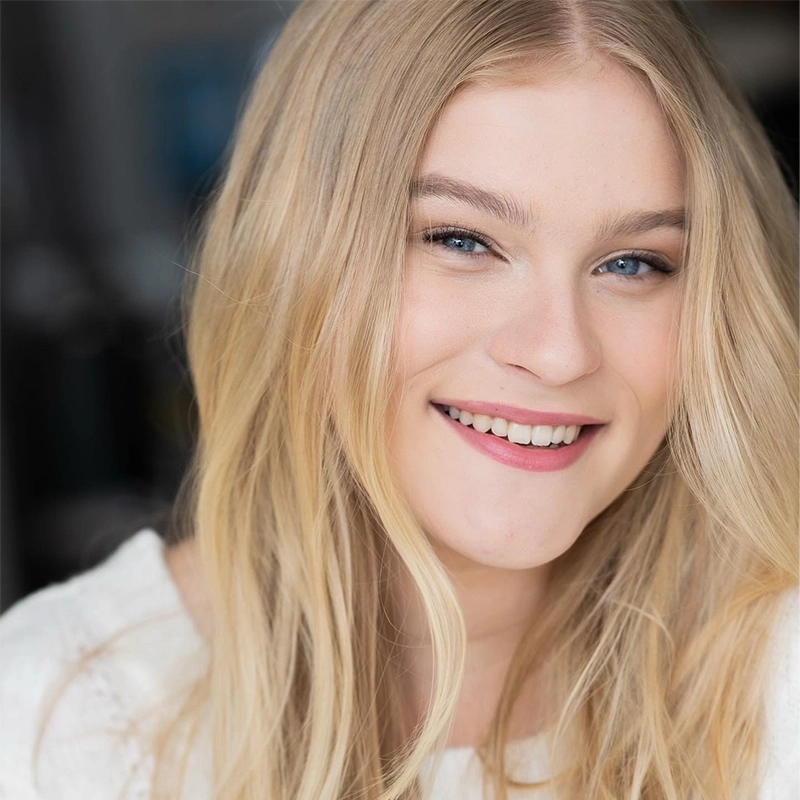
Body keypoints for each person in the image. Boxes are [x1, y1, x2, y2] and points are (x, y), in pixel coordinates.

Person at [1, 1, 797, 798]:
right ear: (294, 258)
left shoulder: (775, 682)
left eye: (633, 263)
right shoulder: (53, 720)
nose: (559, 352)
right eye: (462, 240)